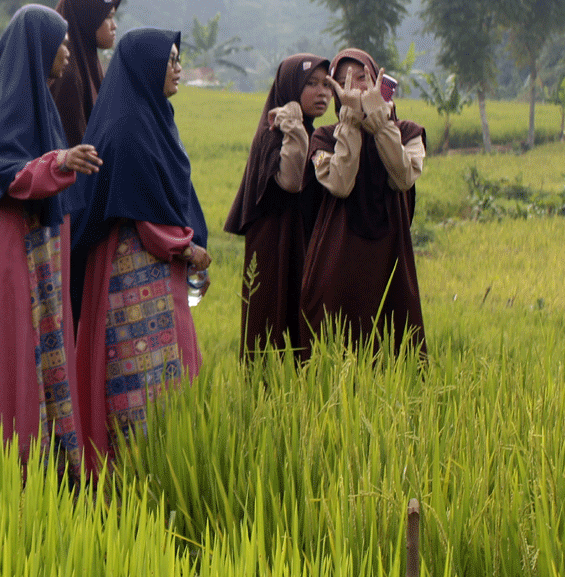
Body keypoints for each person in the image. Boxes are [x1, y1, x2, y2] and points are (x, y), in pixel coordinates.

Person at [0, 4, 100, 471]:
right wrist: (58, 162)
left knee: (36, 344)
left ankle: (45, 459)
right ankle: (8, 461)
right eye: (63, 45)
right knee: (13, 345)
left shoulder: (38, 102)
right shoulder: (10, 104)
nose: (69, 55)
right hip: (14, 245)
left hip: (37, 245)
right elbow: (5, 173)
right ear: (39, 48)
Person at [67, 28, 209, 474]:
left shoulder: (150, 118)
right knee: (140, 377)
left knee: (164, 373)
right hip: (132, 270)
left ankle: (157, 469)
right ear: (146, 66)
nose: (178, 68)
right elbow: (139, 208)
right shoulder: (127, 130)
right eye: (169, 60)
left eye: (177, 59)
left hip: (152, 268)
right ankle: (134, 476)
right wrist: (185, 247)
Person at [299, 48, 428, 357]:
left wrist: (381, 123)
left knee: (394, 342)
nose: (354, 87)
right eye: (344, 80)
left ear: (378, 82)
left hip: (389, 253)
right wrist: (350, 126)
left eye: (362, 77)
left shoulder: (409, 132)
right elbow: (340, 184)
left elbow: (402, 177)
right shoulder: (324, 138)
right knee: (332, 342)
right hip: (337, 253)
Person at [224, 53, 332, 358]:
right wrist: (295, 131)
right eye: (311, 83)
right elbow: (290, 180)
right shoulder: (275, 132)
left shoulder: (316, 133)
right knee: (270, 324)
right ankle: (264, 398)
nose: (322, 92)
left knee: (306, 324)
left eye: (327, 84)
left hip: (304, 238)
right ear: (289, 86)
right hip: (275, 244)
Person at [50, 0, 123, 147]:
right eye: (108, 17)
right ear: (86, 19)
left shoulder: (88, 63)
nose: (114, 26)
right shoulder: (67, 76)